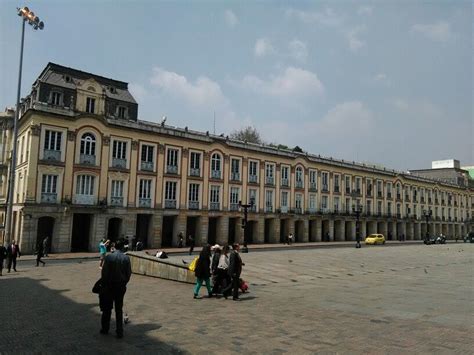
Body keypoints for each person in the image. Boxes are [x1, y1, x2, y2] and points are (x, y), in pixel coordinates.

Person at [100, 239, 132, 339]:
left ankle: (105, 329)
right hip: (120, 286)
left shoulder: (109, 257)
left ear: (115, 246)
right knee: (119, 309)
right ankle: (119, 331)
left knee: (107, 309)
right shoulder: (126, 258)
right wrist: (123, 282)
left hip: (109, 286)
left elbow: (104, 273)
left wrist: (105, 284)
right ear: (122, 247)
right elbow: (128, 273)